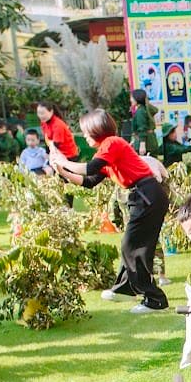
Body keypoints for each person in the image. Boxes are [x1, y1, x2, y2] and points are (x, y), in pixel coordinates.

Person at [50, 108, 169, 314]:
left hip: (147, 195)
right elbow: (89, 181)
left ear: (96, 129)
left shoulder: (112, 143)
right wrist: (63, 171)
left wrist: (64, 161)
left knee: (135, 247)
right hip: (143, 196)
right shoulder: (108, 151)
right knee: (132, 245)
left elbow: (90, 168)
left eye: (86, 132)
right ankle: (126, 289)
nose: (84, 136)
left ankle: (154, 300)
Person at [129, 88, 160, 156]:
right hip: (150, 142)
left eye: (132, 98)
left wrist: (142, 144)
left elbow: (142, 128)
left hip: (146, 145)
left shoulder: (140, 111)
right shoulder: (144, 109)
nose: (130, 100)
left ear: (137, 98)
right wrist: (134, 141)